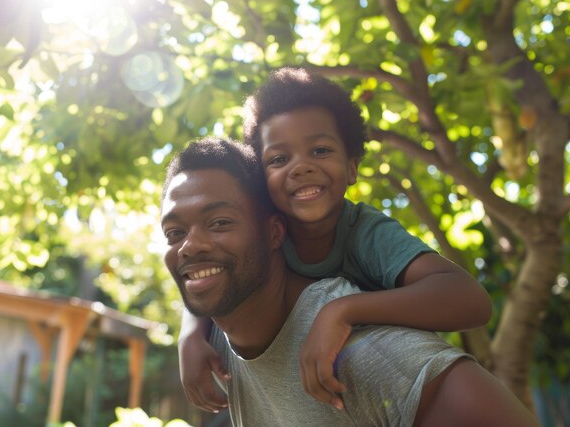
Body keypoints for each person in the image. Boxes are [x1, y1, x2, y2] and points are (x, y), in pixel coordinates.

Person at [160, 138, 538, 426]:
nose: (190, 247)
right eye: (175, 233)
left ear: (275, 232)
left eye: (220, 223)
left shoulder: (367, 352)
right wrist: (189, 333)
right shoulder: (217, 347)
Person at [179, 68, 493, 413]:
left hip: (386, 387)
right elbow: (211, 266)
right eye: (279, 159)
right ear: (263, 182)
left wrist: (342, 312)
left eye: (320, 150)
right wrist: (191, 334)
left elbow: (471, 300)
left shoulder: (365, 231)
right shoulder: (265, 235)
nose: (301, 167)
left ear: (352, 167)